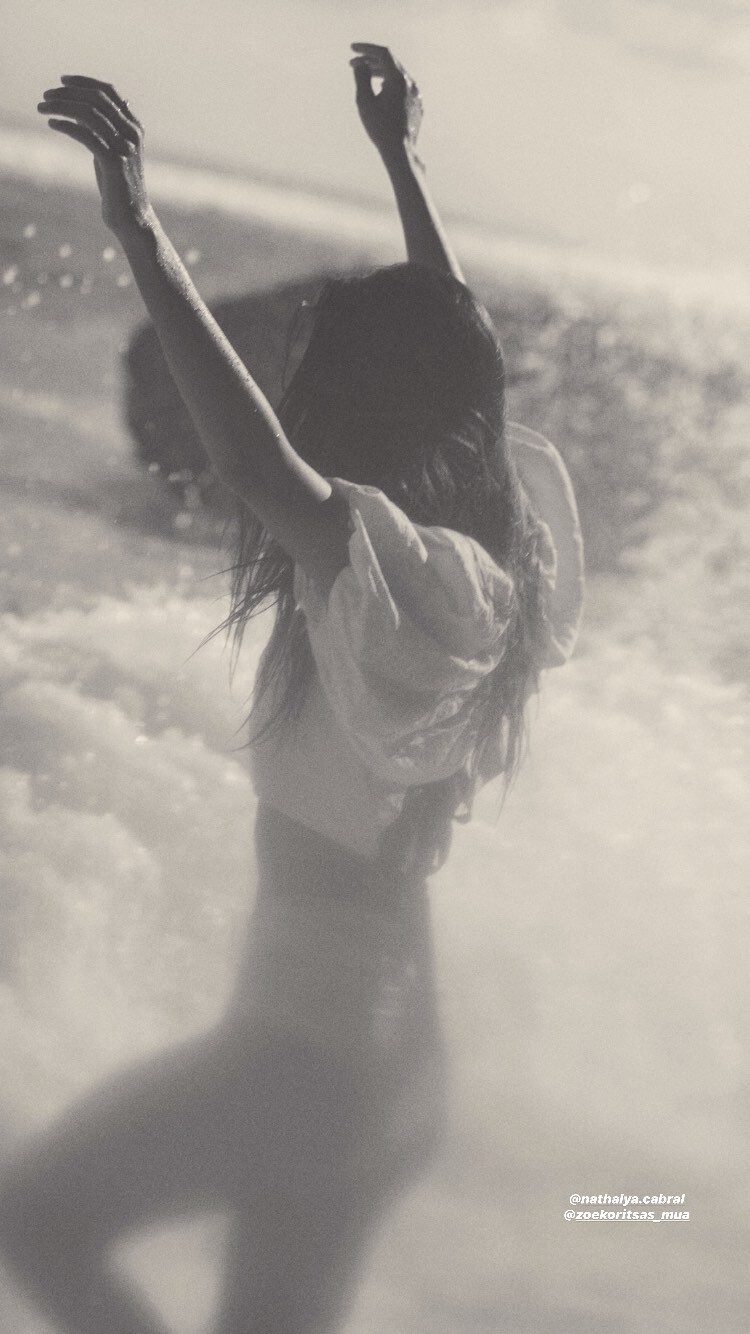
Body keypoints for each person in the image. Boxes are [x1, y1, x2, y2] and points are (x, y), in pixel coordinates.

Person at [0, 43, 583, 1334]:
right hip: (384, 1069)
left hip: (305, 1066)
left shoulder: (410, 583)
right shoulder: (503, 560)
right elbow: (462, 364)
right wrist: (400, 161)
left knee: (35, 1215)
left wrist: (138, 224)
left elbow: (266, 473)